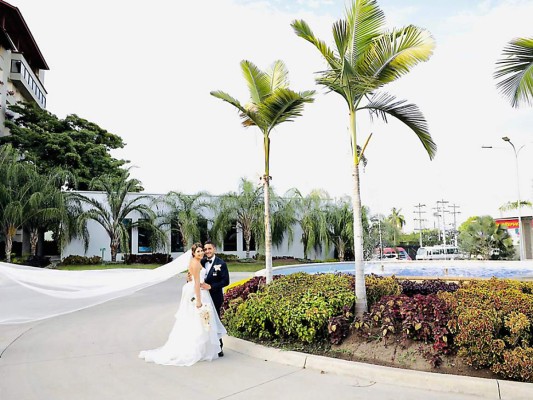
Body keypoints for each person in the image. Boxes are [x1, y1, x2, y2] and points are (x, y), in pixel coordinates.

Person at [139, 243, 226, 366]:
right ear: (193, 253)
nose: (203, 252)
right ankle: (199, 349)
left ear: (213, 249)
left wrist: (207, 285)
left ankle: (212, 348)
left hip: (210, 294)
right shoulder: (196, 263)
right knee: (199, 322)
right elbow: (196, 283)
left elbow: (225, 280)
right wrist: (199, 301)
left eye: (204, 250)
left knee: (207, 321)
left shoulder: (216, 262)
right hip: (200, 294)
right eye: (200, 251)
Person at [200, 240, 230, 356]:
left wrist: (211, 286)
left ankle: (219, 347)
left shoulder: (221, 263)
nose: (207, 251)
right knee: (204, 322)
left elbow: (226, 281)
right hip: (203, 297)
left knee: (215, 322)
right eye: (205, 249)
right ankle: (206, 347)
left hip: (215, 297)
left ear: (214, 249)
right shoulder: (201, 262)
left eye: (209, 249)